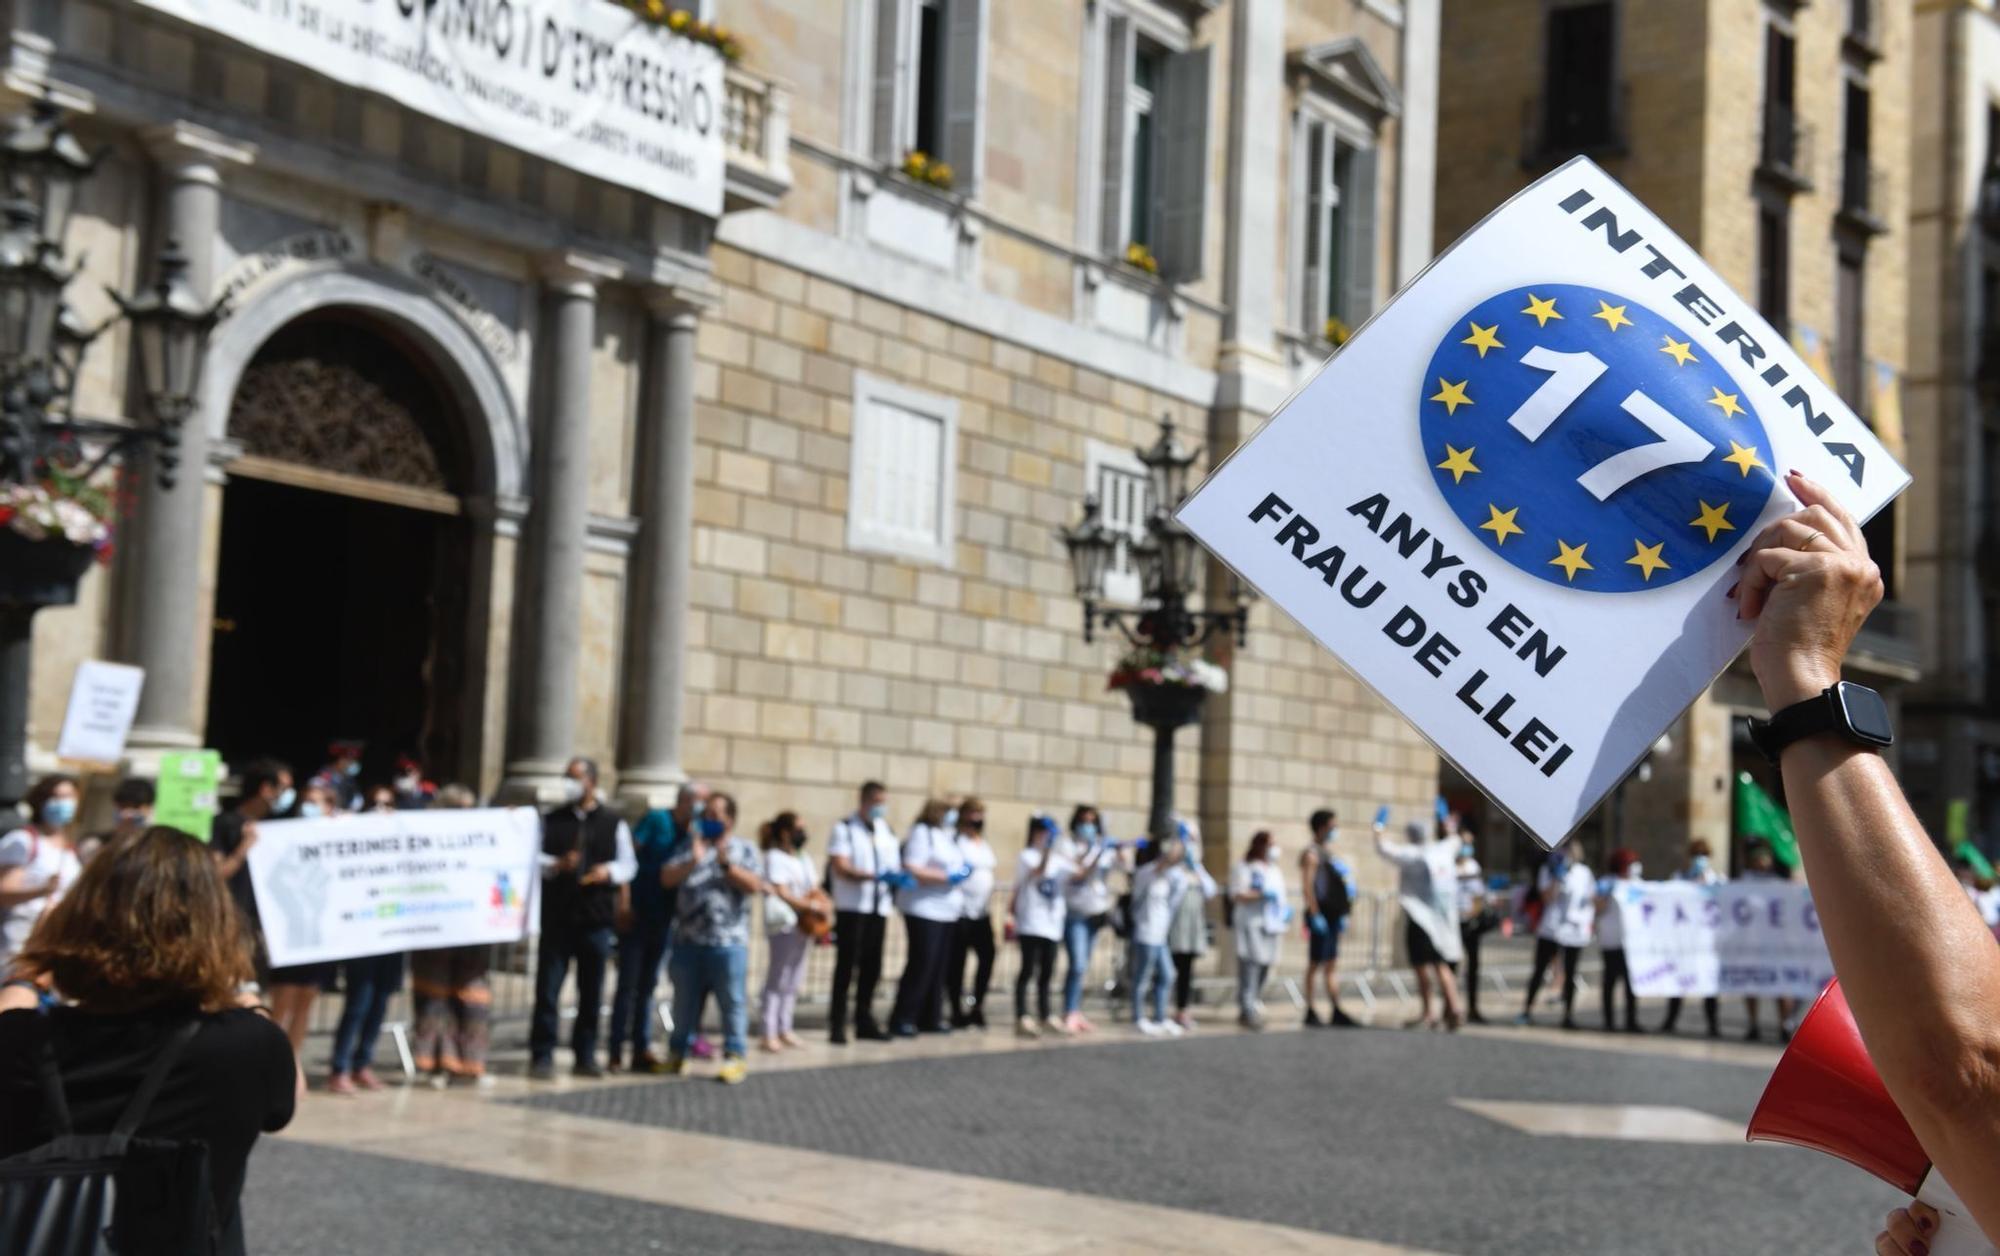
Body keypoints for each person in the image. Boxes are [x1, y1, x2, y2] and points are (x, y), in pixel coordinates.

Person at [0, 826, 300, 1256]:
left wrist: (27, 970)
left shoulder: (24, 1041)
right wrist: (240, 986)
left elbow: (11, 1016)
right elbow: (288, 1095)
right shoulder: (251, 1043)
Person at [528, 757, 637, 1080]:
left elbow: (628, 864)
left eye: (574, 778)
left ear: (591, 781)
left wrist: (608, 872)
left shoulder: (612, 821)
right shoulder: (551, 820)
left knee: (591, 991)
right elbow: (532, 858)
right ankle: (542, 1054)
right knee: (548, 990)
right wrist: (557, 864)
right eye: (566, 778)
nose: (569, 784)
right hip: (559, 916)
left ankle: (585, 1054)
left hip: (595, 917)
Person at [661, 791, 761, 1084]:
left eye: (716, 815)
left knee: (732, 1001)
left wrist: (726, 864)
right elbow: (666, 878)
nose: (710, 820)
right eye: (706, 815)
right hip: (688, 940)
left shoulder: (744, 849)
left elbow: (755, 885)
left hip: (727, 942)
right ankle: (678, 1054)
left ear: (730, 819)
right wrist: (693, 860)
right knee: (683, 1003)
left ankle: (735, 1055)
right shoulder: (689, 846)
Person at [609, 781, 707, 1073]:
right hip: (637, 913)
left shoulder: (692, 833)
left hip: (664, 918)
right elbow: (627, 858)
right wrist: (623, 902)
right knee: (627, 985)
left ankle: (641, 1048)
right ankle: (616, 1050)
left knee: (648, 986)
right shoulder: (657, 820)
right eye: (700, 802)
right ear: (685, 801)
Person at [409, 784, 495, 1087]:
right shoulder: (423, 838)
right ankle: (437, 1064)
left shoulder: (482, 841)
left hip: (472, 931)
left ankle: (471, 1062)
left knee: (473, 999)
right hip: (434, 930)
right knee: (434, 999)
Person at [263, 781, 341, 1060]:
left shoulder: (339, 836)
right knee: (282, 1000)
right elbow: (274, 879)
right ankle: (268, 1059)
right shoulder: (285, 836)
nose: (309, 806)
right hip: (289, 930)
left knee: (306, 1000)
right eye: (306, 800)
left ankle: (292, 1060)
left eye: (317, 801)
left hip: (318, 932)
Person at [825, 780, 902, 1044]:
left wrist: (895, 879)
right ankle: (837, 1022)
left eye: (883, 802)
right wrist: (871, 876)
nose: (880, 807)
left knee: (873, 968)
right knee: (846, 967)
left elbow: (893, 865)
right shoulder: (845, 828)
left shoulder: (885, 831)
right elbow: (840, 866)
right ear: (864, 800)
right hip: (852, 907)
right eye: (876, 802)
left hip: (878, 907)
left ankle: (864, 1019)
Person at [1375, 813, 1466, 1031]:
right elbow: (1456, 840)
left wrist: (1378, 826)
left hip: (1419, 918)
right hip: (1442, 921)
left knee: (1422, 967)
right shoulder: (1442, 849)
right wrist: (1446, 821)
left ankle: (1429, 1011)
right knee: (1441, 963)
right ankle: (1453, 1005)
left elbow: (1383, 848)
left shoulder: (1412, 855)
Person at [210, 759, 292, 986]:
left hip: (260, 927)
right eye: (283, 788)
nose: (286, 795)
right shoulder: (224, 823)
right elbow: (218, 873)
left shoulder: (277, 826)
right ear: (266, 789)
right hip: (230, 925)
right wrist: (245, 847)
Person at [889, 797, 967, 1037]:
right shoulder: (922, 833)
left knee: (939, 966)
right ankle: (904, 1016)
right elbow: (913, 866)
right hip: (924, 908)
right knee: (922, 963)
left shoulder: (947, 835)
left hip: (947, 910)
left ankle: (931, 1016)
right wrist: (946, 878)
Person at [1128, 832, 1215, 1036]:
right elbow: (1149, 879)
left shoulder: (1171, 876)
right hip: (1145, 933)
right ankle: (1138, 1017)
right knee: (1143, 977)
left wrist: (1194, 864)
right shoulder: (1145, 873)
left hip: (1160, 936)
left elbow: (1203, 888)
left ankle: (1160, 1017)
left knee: (1168, 975)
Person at [0, 774, 83, 977]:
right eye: (55, 797)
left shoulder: (71, 850)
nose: (62, 803)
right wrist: (41, 891)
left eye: (68, 797)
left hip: (53, 941)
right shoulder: (23, 841)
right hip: (18, 942)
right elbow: (3, 892)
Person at [757, 811, 825, 1052]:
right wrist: (811, 905)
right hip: (785, 923)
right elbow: (783, 892)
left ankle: (785, 1027)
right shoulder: (775, 857)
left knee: (795, 978)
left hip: (804, 924)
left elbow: (814, 887)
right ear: (785, 832)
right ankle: (769, 1030)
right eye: (798, 829)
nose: (802, 834)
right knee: (778, 976)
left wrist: (821, 905)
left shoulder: (802, 857)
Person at [1058, 805, 1122, 1034]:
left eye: (1093, 822)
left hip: (1096, 913)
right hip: (1075, 912)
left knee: (1083, 964)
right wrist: (1096, 852)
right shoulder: (1067, 845)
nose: (1088, 826)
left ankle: (1075, 1010)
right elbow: (1078, 872)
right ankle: (1069, 1010)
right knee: (1078, 964)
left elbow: (1124, 866)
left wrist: (1119, 850)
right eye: (1084, 821)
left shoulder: (1101, 847)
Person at [1518, 844, 1596, 1029]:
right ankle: (1526, 1010)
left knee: (1571, 973)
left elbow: (1590, 897)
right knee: (1539, 970)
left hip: (1574, 928)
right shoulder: (1549, 869)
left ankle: (1568, 1015)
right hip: (1551, 927)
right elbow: (1547, 898)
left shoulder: (1584, 872)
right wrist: (1556, 877)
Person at [1298, 808, 1359, 1028]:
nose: (1335, 830)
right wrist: (1314, 914)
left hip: (1332, 915)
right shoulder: (1311, 854)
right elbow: (1308, 886)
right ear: (1322, 827)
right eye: (1333, 826)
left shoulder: (1327, 852)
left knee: (1331, 963)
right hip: (1320, 914)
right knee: (1315, 963)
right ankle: (1310, 1008)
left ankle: (1335, 1007)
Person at [1010, 815, 1070, 1037]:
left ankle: (1045, 1015)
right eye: (1043, 831)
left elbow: (1080, 873)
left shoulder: (1059, 858)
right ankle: (1022, 1016)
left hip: (1052, 924)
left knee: (1047, 972)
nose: (1046, 835)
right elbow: (1038, 871)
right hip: (1031, 922)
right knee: (1027, 970)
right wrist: (1047, 850)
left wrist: (1099, 849)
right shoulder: (1026, 855)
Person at [944, 797, 999, 1029]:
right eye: (973, 813)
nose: (977, 819)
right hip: (960, 911)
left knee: (988, 956)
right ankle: (955, 1008)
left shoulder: (982, 843)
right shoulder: (955, 840)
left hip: (981, 912)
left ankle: (977, 1005)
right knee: (957, 963)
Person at [1660, 839, 1724, 1036]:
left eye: (1703, 855)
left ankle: (1713, 1024)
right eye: (1697, 855)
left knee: (1710, 984)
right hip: (1684, 940)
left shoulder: (1717, 880)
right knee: (1679, 981)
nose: (1700, 859)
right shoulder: (1679, 877)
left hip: (1707, 941)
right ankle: (1670, 1020)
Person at [1229, 831, 1288, 1030]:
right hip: (1251, 923)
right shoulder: (1244, 867)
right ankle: (1246, 1009)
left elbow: (1280, 895)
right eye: (1271, 844)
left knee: (1265, 966)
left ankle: (1254, 1002)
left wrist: (1285, 910)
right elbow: (1237, 894)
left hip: (1271, 923)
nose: (1274, 848)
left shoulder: (1274, 869)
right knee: (1250, 967)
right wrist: (1261, 895)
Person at [1166, 818, 1214, 1032]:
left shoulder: (1197, 870)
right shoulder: (1173, 870)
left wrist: (1197, 870)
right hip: (1174, 926)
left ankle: (1182, 1009)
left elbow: (1210, 890)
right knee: (1169, 969)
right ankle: (1163, 1009)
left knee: (1186, 970)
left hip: (1192, 927)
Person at [1595, 848, 1643, 1034]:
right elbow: (1597, 908)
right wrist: (1605, 895)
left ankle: (1631, 1020)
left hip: (1631, 942)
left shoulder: (1637, 884)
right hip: (1610, 941)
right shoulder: (1606, 883)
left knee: (1631, 985)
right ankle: (1609, 1021)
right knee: (1610, 982)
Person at [1455, 831, 1495, 1024]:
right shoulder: (1448, 864)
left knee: (1473, 966)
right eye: (1465, 842)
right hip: (1453, 922)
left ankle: (1473, 1007)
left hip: (1470, 923)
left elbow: (1478, 896)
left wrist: (1471, 915)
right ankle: (1451, 1006)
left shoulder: (1473, 865)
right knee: (1451, 966)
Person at [80, 776, 155, 864]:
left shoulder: (155, 849)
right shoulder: (94, 845)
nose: (128, 814)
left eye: (135, 807)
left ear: (149, 808)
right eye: (123, 806)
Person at [309, 739, 364, 812]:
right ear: (340, 760)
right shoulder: (322, 777)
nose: (352, 763)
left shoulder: (349, 779)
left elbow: (356, 801)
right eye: (349, 760)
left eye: (353, 760)